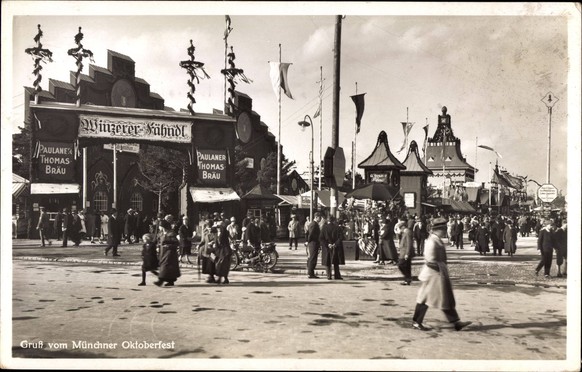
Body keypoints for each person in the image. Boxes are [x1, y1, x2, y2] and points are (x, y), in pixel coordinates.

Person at [412, 217, 472, 332]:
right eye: (443, 229)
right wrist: (440, 270)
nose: (445, 231)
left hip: (437, 273)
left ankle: (456, 322)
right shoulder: (432, 241)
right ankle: (416, 322)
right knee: (427, 298)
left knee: (445, 298)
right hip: (432, 274)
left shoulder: (436, 239)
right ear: (437, 230)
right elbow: (430, 259)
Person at [320, 215, 344, 280]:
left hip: (327, 247)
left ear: (327, 220)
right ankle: (337, 275)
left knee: (327, 262)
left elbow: (321, 238)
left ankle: (328, 275)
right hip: (336, 246)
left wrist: (328, 244)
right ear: (333, 220)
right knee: (336, 262)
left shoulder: (324, 228)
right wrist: (335, 244)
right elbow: (341, 237)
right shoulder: (338, 228)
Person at [395, 216, 415, 285]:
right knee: (407, 266)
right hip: (404, 251)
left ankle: (407, 277)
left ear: (403, 227)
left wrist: (407, 253)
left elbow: (409, 244)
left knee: (400, 265)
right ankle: (407, 279)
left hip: (405, 253)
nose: (399, 230)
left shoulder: (407, 232)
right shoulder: (405, 233)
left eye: (400, 228)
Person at [306, 212, 323, 279]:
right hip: (313, 243)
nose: (320, 219)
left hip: (313, 243)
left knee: (313, 258)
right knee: (312, 258)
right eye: (319, 217)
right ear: (316, 217)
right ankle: (310, 273)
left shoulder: (313, 224)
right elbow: (311, 234)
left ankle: (311, 272)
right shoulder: (314, 224)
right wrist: (308, 241)